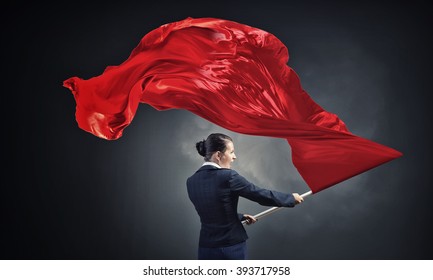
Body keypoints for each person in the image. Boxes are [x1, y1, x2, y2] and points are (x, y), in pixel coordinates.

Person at [186, 133, 304, 260]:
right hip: (231, 249)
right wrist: (290, 198)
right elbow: (259, 195)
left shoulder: (191, 181)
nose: (234, 157)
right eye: (231, 152)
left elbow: (212, 210)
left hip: (206, 249)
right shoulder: (228, 176)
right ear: (219, 155)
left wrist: (240, 217)